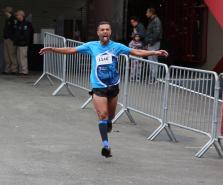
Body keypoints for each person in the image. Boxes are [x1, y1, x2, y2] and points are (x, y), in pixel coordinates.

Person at [39, 21, 168, 158]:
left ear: (110, 32)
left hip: (113, 86)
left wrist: (154, 52)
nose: (105, 32)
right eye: (102, 30)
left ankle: (109, 123)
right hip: (98, 86)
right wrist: (53, 49)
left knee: (110, 116)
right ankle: (106, 145)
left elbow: (136, 51)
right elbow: (71, 50)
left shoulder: (117, 47)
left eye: (107, 29)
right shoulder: (91, 46)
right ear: (98, 33)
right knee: (103, 114)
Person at [144, 8, 162, 81]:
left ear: (151, 13)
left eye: (147, 12)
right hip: (151, 42)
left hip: (154, 43)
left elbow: (156, 33)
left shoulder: (156, 21)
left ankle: (154, 77)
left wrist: (150, 42)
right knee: (151, 59)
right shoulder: (152, 20)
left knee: (153, 59)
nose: (146, 14)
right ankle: (152, 76)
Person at [14, 10, 33, 75]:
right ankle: (20, 71)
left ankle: (24, 71)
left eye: (17, 15)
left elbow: (26, 35)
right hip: (18, 43)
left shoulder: (26, 24)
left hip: (23, 43)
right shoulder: (18, 23)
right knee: (19, 58)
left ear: (21, 15)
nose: (16, 16)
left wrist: (20, 39)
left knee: (23, 58)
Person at [2, 6, 17, 74]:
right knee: (6, 55)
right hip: (6, 39)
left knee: (11, 55)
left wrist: (12, 38)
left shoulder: (13, 19)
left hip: (10, 39)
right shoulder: (7, 19)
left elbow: (14, 30)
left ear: (7, 12)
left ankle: (14, 69)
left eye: (5, 11)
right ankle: (7, 69)